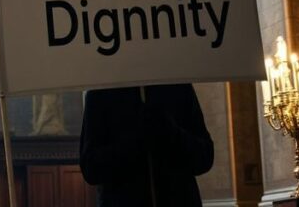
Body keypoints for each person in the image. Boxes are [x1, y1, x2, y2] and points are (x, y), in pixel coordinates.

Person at [80, 83, 213, 207]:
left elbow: (205, 157)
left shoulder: (178, 86)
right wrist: (136, 141)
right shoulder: (101, 91)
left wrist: (171, 132)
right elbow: (90, 168)